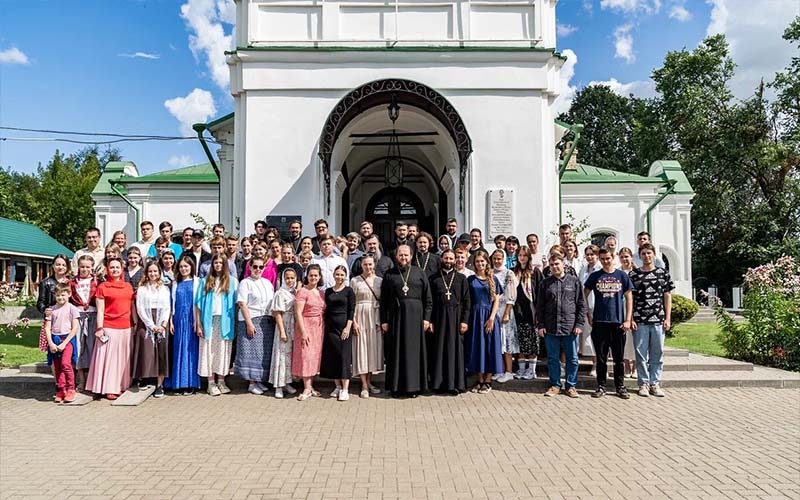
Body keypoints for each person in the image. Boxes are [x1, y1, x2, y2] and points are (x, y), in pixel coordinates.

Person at [380, 244, 432, 398]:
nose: (403, 258)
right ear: (396, 256)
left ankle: (414, 387)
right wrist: (384, 320)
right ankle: (396, 387)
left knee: (413, 354)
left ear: (411, 256)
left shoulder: (419, 273)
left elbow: (428, 300)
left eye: (406, 255)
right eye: (401, 255)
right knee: (396, 353)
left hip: (416, 319)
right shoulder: (390, 274)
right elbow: (383, 301)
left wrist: (426, 319)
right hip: (396, 318)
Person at [584, 248, 633, 399]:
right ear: (599, 259)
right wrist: (588, 314)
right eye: (603, 259)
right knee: (601, 358)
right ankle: (601, 386)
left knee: (618, 358)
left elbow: (629, 297)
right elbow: (583, 295)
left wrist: (628, 319)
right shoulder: (595, 276)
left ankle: (620, 386)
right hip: (599, 322)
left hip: (618, 323)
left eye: (608, 258)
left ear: (613, 258)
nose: (605, 261)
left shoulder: (621, 275)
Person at [86, 258, 137, 400]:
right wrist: (100, 327)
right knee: (110, 360)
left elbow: (132, 307)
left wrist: (136, 323)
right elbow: (100, 310)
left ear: (122, 269)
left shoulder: (128, 286)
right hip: (109, 327)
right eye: (112, 267)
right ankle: (108, 388)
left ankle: (121, 385)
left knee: (123, 359)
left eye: (117, 267)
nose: (115, 270)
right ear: (108, 269)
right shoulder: (103, 287)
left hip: (126, 327)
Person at [536, 251, 585, 398]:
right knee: (552, 358)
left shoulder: (574, 281)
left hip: (570, 327)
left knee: (572, 358)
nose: (554, 267)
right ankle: (555, 385)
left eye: (557, 264)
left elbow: (582, 304)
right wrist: (541, 325)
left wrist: (579, 324)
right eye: (551, 265)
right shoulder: (545, 283)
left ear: (563, 264)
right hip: (551, 326)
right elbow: (540, 306)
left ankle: (571, 386)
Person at [630, 243, 673, 398]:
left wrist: (668, 318)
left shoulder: (663, 274)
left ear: (654, 254)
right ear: (640, 256)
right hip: (640, 320)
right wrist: (630, 318)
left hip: (658, 320)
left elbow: (667, 296)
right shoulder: (634, 275)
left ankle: (655, 383)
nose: (646, 256)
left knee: (657, 353)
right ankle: (643, 383)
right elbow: (630, 298)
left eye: (649, 253)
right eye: (643, 254)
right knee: (641, 354)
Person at [195, 255, 238, 396]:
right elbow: (198, 305)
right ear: (212, 264)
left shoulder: (232, 282)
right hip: (209, 321)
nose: (218, 265)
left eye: (221, 262)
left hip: (225, 321)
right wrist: (199, 324)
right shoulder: (205, 281)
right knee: (208, 351)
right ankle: (211, 382)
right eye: (216, 262)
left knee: (222, 350)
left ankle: (221, 380)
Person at [428, 249, 470, 394]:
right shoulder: (434, 279)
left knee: (454, 350)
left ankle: (454, 384)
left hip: (456, 317)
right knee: (438, 350)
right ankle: (438, 384)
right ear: (442, 259)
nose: (449, 261)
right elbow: (430, 302)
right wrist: (430, 321)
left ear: (455, 260)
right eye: (446, 258)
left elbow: (466, 301)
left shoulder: (461, 278)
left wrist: (464, 321)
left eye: (451, 258)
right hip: (438, 317)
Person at [235, 256, 276, 396]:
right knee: (250, 352)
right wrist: (249, 323)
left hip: (266, 320)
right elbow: (242, 303)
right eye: (255, 267)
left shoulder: (267, 283)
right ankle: (251, 383)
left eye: (260, 267)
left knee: (261, 353)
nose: (258, 269)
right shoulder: (245, 283)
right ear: (250, 268)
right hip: (251, 319)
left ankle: (258, 380)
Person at [464, 249, 502, 394]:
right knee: (477, 347)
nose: (480, 263)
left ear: (487, 262)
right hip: (475, 317)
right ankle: (479, 380)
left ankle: (488, 380)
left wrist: (492, 318)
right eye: (477, 261)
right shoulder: (470, 280)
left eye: (482, 261)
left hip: (489, 316)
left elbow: (496, 300)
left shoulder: (493, 279)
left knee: (490, 348)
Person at [132, 261, 171, 398]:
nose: (153, 274)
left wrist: (163, 325)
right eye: (150, 271)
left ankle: (160, 384)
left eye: (155, 271)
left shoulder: (164, 289)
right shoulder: (142, 289)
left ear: (159, 273)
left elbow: (167, 307)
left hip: (161, 322)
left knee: (162, 353)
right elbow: (140, 308)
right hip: (147, 321)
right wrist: (151, 325)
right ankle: (145, 378)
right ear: (146, 273)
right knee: (146, 350)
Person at [164, 256, 201, 395]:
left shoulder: (198, 282)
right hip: (178, 320)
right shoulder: (175, 283)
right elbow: (170, 304)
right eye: (181, 267)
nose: (184, 269)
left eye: (186, 266)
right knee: (178, 349)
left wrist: (198, 323)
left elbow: (199, 304)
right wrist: (171, 321)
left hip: (192, 320)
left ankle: (190, 383)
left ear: (191, 267)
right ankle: (178, 383)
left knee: (191, 350)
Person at [350, 255, 383, 398]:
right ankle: (363, 384)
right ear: (361, 265)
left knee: (372, 350)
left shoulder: (379, 281)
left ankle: (369, 382)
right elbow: (351, 303)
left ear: (374, 265)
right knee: (361, 349)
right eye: (365, 264)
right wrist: (354, 322)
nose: (368, 267)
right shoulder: (354, 281)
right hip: (360, 316)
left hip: (375, 317)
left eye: (370, 264)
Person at [321, 266, 356, 401]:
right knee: (333, 356)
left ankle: (345, 389)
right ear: (334, 275)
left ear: (345, 276)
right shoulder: (328, 291)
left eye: (342, 275)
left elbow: (352, 310)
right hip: (330, 328)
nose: (339, 277)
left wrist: (348, 327)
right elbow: (326, 310)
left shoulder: (349, 291)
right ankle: (337, 386)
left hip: (343, 328)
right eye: (337, 274)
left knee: (344, 357)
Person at [293, 264, 326, 401]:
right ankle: (306, 387)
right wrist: (303, 331)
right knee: (305, 356)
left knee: (314, 357)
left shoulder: (321, 292)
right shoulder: (302, 292)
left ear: (319, 277)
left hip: (318, 328)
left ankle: (311, 385)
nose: (313, 277)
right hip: (305, 326)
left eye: (316, 275)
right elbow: (298, 313)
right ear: (307, 276)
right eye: (311, 275)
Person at [44, 283, 80, 403]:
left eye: (63, 295)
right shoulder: (52, 310)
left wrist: (65, 343)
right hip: (55, 340)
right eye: (58, 295)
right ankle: (61, 389)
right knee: (58, 366)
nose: (60, 298)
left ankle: (71, 388)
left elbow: (75, 328)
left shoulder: (72, 309)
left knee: (66, 364)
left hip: (67, 340)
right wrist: (51, 344)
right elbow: (47, 328)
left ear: (69, 294)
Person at [513, 246, 544, 380]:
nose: (522, 258)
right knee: (519, 341)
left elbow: (541, 292)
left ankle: (531, 370)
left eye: (524, 255)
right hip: (517, 311)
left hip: (531, 311)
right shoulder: (514, 272)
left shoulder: (535, 272)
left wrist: (539, 312)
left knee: (532, 342)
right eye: (520, 255)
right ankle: (521, 369)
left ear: (529, 257)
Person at [70, 255, 98, 391]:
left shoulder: (97, 281)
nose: (84, 269)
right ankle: (81, 381)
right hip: (78, 316)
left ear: (92, 267)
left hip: (93, 315)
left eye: (87, 267)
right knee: (79, 348)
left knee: (93, 348)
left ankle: (93, 381)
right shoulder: (72, 282)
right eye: (82, 266)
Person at [36, 254, 70, 369]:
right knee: (53, 351)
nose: (60, 267)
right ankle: (57, 382)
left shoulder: (71, 282)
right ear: (53, 266)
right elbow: (40, 302)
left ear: (67, 267)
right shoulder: (46, 282)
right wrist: (45, 310)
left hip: (67, 320)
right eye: (58, 264)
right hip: (52, 321)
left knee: (69, 350)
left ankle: (69, 379)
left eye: (63, 265)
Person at [270, 268, 299, 398]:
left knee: (289, 356)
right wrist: (282, 331)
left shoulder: (294, 293)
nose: (290, 280)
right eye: (287, 278)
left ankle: (287, 382)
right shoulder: (280, 293)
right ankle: (278, 386)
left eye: (292, 278)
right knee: (281, 355)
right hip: (283, 325)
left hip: (292, 325)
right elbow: (277, 313)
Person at [490, 249, 517, 384]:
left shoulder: (509, 273)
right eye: (494, 258)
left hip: (505, 310)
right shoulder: (490, 273)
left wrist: (506, 312)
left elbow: (511, 295)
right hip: (494, 310)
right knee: (497, 341)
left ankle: (509, 371)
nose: (497, 261)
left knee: (506, 342)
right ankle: (499, 369)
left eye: (499, 258)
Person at [578, 244, 602, 377]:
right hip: (586, 307)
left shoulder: (600, 269)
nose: (589, 257)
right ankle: (594, 362)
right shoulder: (583, 269)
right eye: (587, 254)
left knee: (598, 338)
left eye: (592, 254)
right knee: (589, 338)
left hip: (598, 306)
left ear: (597, 256)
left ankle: (597, 364)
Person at [618, 247, 637, 379]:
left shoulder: (636, 273)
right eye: (622, 257)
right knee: (623, 338)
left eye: (627, 256)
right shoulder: (617, 273)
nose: (625, 259)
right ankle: (626, 365)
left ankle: (635, 367)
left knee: (634, 339)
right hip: (620, 307)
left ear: (631, 257)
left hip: (635, 307)